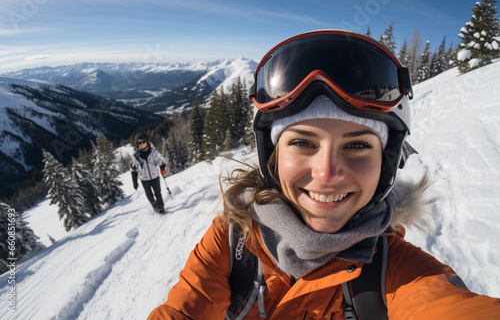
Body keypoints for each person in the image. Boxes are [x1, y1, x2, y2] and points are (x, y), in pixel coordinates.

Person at [147, 30, 500, 319]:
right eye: (302, 142)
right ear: (273, 157)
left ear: (387, 162)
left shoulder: (397, 272)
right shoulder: (232, 242)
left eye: (358, 146)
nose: (327, 173)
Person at [131, 133, 167, 214]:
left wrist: (162, 166)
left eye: (143, 142)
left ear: (147, 141)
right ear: (137, 145)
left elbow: (159, 160)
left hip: (155, 176)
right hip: (144, 179)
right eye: (139, 143)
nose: (142, 144)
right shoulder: (136, 156)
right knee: (149, 196)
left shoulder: (153, 152)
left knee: (158, 192)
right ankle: (155, 206)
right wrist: (135, 182)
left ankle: (161, 207)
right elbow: (133, 169)